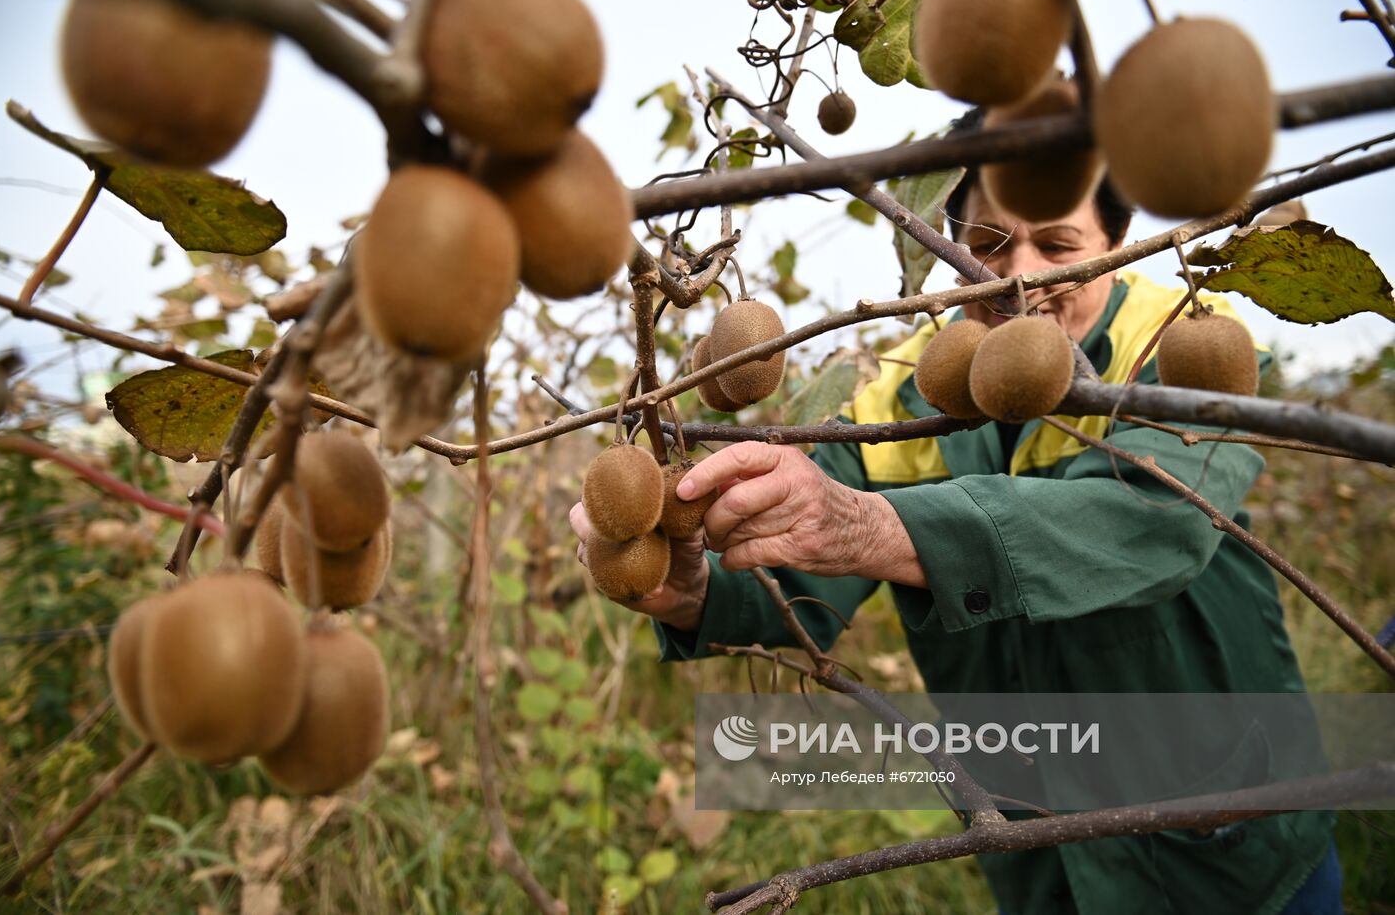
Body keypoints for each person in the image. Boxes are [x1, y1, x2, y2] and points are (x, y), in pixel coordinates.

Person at [569, 153, 1339, 913]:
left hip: (1226, 830)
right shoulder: (898, 391)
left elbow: (1159, 521)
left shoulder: (1184, 342)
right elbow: (800, 567)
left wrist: (873, 524)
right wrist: (697, 592)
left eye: (1059, 245)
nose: (1021, 275)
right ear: (950, 243)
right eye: (992, 244)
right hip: (1039, 844)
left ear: (1119, 239)